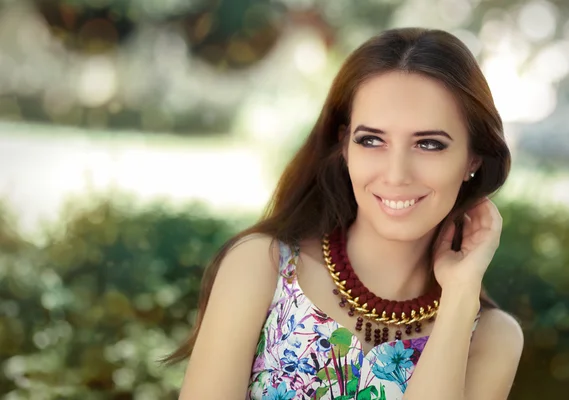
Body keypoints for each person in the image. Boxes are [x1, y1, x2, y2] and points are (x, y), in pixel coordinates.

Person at [169, 27, 524, 399]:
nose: (396, 173)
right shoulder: (262, 267)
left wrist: (460, 296)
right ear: (344, 146)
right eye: (372, 140)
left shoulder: (492, 338)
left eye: (429, 144)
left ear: (473, 160)